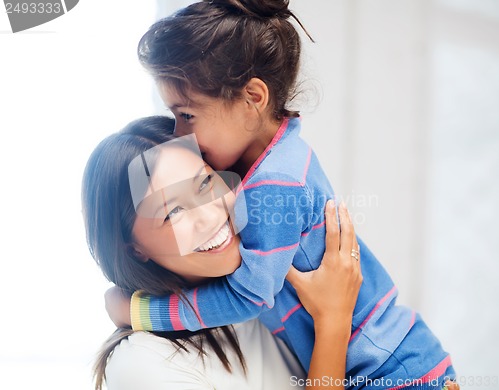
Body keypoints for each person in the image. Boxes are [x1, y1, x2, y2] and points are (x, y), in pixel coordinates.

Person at [106, 1, 457, 388]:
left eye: (186, 115)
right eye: (174, 212)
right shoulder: (275, 156)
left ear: (253, 99)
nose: (180, 134)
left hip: (391, 371)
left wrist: (140, 311)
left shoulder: (275, 186)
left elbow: (248, 298)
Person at [82, 115, 365, 390]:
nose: (210, 215)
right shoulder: (143, 364)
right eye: (174, 212)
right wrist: (333, 321)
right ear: (134, 250)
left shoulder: (266, 274)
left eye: (205, 183)